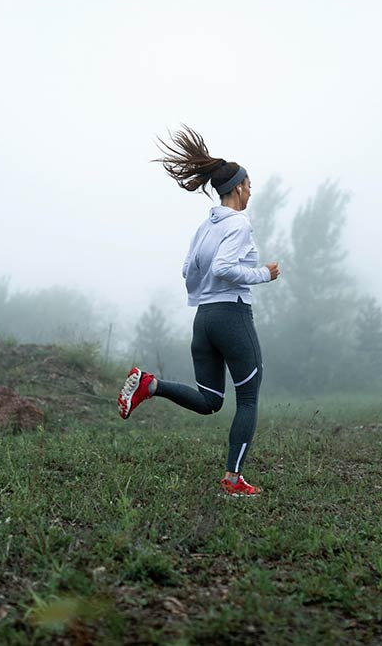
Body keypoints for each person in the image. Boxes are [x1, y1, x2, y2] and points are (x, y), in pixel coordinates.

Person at [117, 126, 280, 497]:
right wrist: (263, 275)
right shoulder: (239, 223)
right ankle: (233, 479)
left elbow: (188, 268)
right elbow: (224, 268)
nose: (252, 190)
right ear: (237, 187)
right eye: (249, 184)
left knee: (211, 401)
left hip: (203, 320)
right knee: (249, 398)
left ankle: (149, 384)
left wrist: (201, 295)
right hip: (232, 317)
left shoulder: (205, 226)